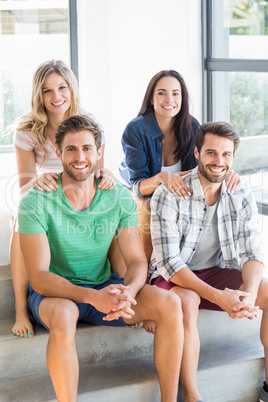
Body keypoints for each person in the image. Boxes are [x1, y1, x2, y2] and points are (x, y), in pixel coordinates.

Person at [17, 115, 184, 402]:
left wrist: (129, 292)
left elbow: (136, 261)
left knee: (169, 303)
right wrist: (92, 297)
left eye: (86, 148)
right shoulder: (35, 201)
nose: (79, 157)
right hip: (55, 294)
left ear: (99, 152)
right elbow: (40, 278)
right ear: (58, 153)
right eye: (71, 149)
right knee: (65, 314)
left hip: (104, 287)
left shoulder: (118, 198)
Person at [148, 121, 268, 402]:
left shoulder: (240, 192)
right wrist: (220, 297)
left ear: (234, 157)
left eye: (226, 155)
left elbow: (252, 253)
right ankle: (191, 396)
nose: (219, 161)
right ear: (197, 152)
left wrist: (247, 296)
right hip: (173, 276)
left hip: (213, 271)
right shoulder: (169, 193)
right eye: (212, 153)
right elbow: (169, 263)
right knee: (188, 302)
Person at [11, 59, 116, 339]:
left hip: (81, 194)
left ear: (71, 89)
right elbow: (24, 186)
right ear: (39, 95)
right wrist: (38, 181)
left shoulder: (90, 124)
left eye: (61, 88)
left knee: (117, 211)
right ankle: (22, 308)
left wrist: (107, 178)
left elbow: (97, 170)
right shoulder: (26, 131)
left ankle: (120, 289)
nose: (56, 97)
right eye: (47, 91)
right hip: (45, 196)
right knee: (18, 220)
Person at [119, 70, 239, 260]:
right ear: (151, 98)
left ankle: (205, 263)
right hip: (145, 193)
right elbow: (138, 187)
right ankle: (150, 271)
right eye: (162, 93)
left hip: (179, 193)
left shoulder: (192, 126)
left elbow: (206, 166)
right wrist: (161, 178)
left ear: (182, 98)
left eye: (176, 93)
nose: (169, 99)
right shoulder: (136, 129)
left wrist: (228, 173)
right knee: (149, 205)